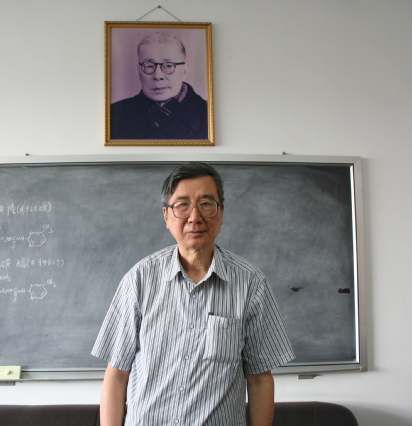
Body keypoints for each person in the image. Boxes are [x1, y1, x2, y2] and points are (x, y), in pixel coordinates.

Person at [91, 162, 295, 426]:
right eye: (182, 205)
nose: (195, 217)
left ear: (221, 212)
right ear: (166, 215)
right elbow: (117, 374)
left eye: (206, 204)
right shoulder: (139, 280)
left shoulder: (251, 284)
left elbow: (259, 380)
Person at [109, 32, 208, 140]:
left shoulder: (210, 115)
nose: (158, 76)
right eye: (149, 66)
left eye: (168, 66)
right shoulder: (113, 114)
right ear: (139, 71)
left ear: (185, 71)